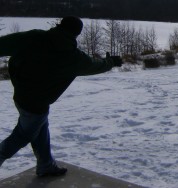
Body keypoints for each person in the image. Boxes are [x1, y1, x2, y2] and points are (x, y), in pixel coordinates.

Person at [0, 16, 122, 177]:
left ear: (59, 25)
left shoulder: (35, 37)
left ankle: (45, 165)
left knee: (40, 128)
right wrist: (111, 62)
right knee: (24, 134)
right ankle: (42, 164)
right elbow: (95, 65)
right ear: (76, 34)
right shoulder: (73, 57)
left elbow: (3, 44)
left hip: (22, 95)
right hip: (36, 103)